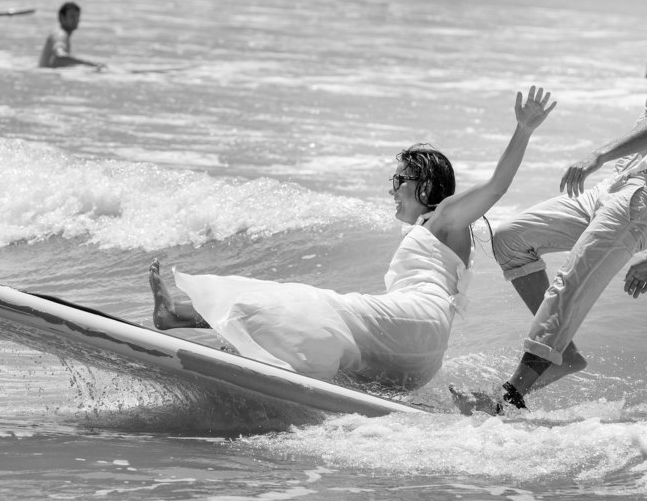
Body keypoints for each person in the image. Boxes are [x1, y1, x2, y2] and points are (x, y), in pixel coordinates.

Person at [148, 86, 556, 390]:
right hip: (419, 353)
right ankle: (199, 331)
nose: (391, 189)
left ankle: (177, 316)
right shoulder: (436, 232)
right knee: (324, 321)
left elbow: (497, 186)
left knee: (311, 305)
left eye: (399, 179)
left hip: (416, 323)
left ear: (424, 182)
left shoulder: (446, 216)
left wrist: (523, 130)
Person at [451, 0, 647, 416]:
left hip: (643, 196)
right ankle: (563, 356)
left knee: (569, 285)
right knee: (509, 238)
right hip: (623, 189)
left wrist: (598, 155)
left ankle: (508, 398)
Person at [38, 1, 106, 70]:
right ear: (62, 18)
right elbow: (59, 56)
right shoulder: (60, 34)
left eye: (78, 16)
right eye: (72, 17)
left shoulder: (60, 33)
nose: (76, 20)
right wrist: (90, 64)